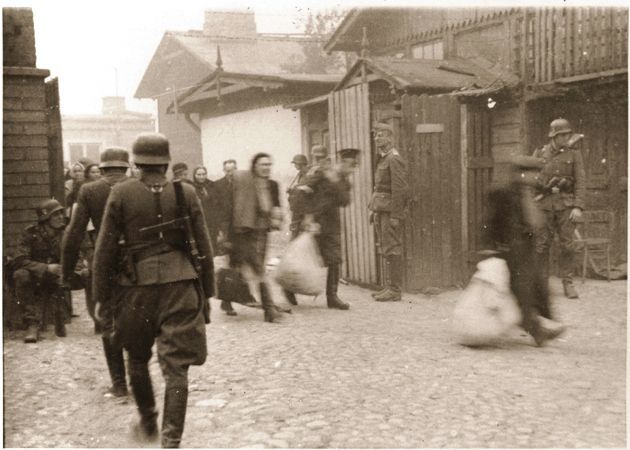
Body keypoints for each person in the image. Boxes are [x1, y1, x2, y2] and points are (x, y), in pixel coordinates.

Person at [92, 133, 214, 447]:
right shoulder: (185, 191)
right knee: (177, 369)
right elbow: (205, 245)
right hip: (181, 286)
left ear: (136, 163)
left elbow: (104, 250)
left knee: (136, 358)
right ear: (166, 162)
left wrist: (101, 298)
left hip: (135, 289)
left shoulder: (120, 192)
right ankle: (171, 442)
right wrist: (208, 294)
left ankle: (148, 418)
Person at [61, 147, 131, 397]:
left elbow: (73, 233)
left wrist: (66, 273)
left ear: (102, 169)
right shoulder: (139, 186)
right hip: (139, 265)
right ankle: (139, 379)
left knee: (108, 322)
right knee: (137, 320)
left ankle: (119, 384)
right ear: (126, 167)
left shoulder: (90, 190)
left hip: (106, 265)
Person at [487, 155, 566, 346]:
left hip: (525, 248)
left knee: (536, 285)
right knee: (521, 290)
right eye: (531, 173)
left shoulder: (528, 192)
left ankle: (540, 325)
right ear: (520, 174)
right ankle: (537, 330)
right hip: (510, 250)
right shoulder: (502, 193)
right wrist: (492, 247)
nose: (535, 178)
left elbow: (536, 222)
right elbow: (491, 222)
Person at [287, 147, 361, 310]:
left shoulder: (342, 180)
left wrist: (335, 182)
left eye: (355, 165)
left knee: (334, 260)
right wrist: (307, 216)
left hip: (331, 225)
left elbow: (344, 201)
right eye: (350, 164)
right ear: (341, 162)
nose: (352, 168)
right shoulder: (320, 173)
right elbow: (298, 193)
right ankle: (288, 288)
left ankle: (332, 297)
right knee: (303, 258)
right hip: (313, 224)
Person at [225, 153, 287, 322]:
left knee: (242, 268)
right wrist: (228, 235)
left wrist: (277, 215)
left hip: (262, 233)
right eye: (262, 164)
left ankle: (226, 300)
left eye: (269, 164)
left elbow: (277, 206)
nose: (266, 167)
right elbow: (232, 208)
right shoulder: (245, 184)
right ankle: (269, 310)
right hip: (245, 233)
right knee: (259, 269)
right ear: (255, 166)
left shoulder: (272, 185)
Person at [532, 118, 586, 299]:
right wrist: (542, 186)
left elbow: (581, 182)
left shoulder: (574, 154)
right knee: (541, 246)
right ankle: (541, 285)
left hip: (565, 206)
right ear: (553, 136)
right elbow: (530, 179)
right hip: (544, 206)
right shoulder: (540, 153)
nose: (565, 137)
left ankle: (568, 284)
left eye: (567, 134)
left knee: (567, 246)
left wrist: (578, 206)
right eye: (562, 135)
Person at [12, 199, 68, 343]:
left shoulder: (65, 232)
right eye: (56, 215)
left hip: (60, 275)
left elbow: (76, 254)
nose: (61, 217)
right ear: (45, 218)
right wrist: (45, 268)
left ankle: (102, 322)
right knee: (20, 275)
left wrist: (74, 268)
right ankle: (32, 325)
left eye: (61, 213)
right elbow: (19, 259)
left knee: (90, 273)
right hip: (37, 276)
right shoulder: (30, 234)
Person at [368, 122, 409, 302]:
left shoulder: (394, 159)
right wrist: (374, 209)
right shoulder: (384, 158)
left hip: (390, 211)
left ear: (390, 138)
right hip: (381, 209)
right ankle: (388, 286)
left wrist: (395, 215)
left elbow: (400, 189)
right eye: (376, 135)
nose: (377, 138)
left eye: (381, 135)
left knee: (392, 247)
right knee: (386, 247)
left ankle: (395, 289)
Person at [191, 166, 221, 251]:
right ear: (194, 175)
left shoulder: (212, 185)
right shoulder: (191, 187)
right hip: (199, 218)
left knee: (213, 242)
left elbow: (218, 202)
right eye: (199, 174)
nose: (201, 177)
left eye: (204, 174)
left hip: (212, 219)